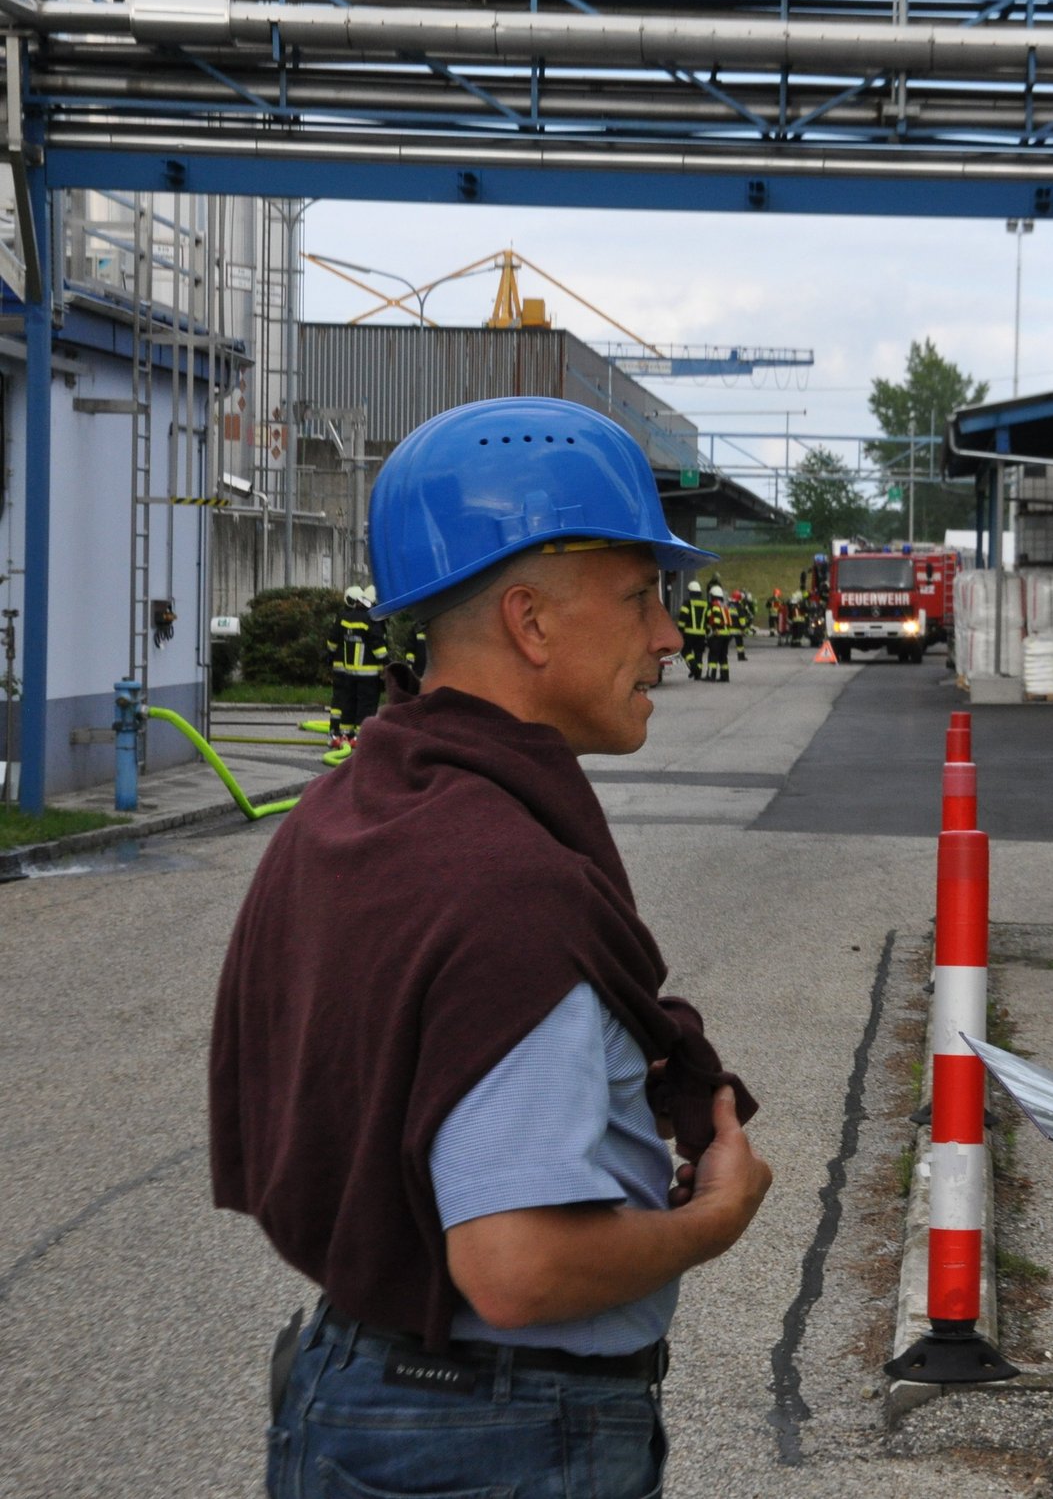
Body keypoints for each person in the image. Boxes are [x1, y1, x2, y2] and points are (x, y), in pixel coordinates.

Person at [212, 396, 773, 1499]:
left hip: (366, 1384)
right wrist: (714, 1216)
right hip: (490, 1433)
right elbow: (517, 1269)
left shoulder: (358, 805)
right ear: (528, 620)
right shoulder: (505, 885)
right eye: (640, 594)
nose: (668, 633)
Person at [324, 583, 389, 765]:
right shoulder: (371, 619)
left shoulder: (345, 617)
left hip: (348, 671)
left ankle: (344, 734)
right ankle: (362, 738)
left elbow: (333, 641)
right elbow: (378, 647)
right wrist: (388, 663)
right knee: (366, 707)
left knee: (347, 703)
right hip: (368, 674)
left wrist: (329, 657)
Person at [676, 582, 710, 681]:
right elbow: (708, 619)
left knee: (686, 651)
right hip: (702, 634)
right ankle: (698, 674)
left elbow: (683, 618)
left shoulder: (687, 603)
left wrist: (680, 630)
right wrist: (706, 631)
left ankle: (694, 667)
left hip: (689, 633)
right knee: (698, 653)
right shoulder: (705, 603)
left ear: (690, 591)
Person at [705, 583, 733, 684]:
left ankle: (711, 675)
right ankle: (725, 676)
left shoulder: (715, 606)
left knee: (713, 654)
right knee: (723, 656)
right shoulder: (724, 606)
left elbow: (716, 620)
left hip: (718, 634)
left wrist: (713, 629)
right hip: (726, 634)